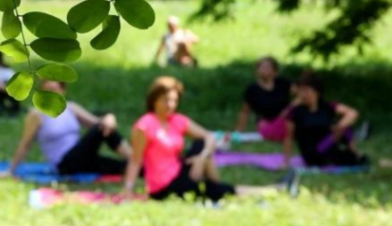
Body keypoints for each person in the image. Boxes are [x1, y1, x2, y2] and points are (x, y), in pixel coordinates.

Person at [123, 76, 296, 203]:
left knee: (201, 144)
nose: (170, 105)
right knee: (213, 187)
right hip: (164, 186)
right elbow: (136, 160)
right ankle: (273, 191)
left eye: (174, 101)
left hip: (181, 171)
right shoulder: (145, 126)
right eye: (165, 100)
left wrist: (202, 157)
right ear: (154, 101)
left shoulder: (177, 120)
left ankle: (219, 187)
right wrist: (128, 189)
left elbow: (209, 136)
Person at [7, 80, 132, 176]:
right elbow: (25, 144)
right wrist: (11, 170)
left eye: (54, 90)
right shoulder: (36, 114)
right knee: (101, 127)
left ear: (62, 91)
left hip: (82, 158)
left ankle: (139, 163)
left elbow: (97, 122)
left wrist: (110, 117)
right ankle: (135, 157)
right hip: (65, 164)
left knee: (126, 167)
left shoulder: (70, 108)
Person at [284, 71, 368, 168]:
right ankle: (355, 156)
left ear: (317, 92)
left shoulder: (327, 106)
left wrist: (339, 126)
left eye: (306, 91)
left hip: (328, 147)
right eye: (301, 91)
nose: (303, 94)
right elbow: (288, 138)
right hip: (312, 153)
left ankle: (354, 154)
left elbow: (352, 113)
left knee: (345, 127)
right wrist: (286, 162)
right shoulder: (295, 112)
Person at [234, 57, 295, 142]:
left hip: (286, 120)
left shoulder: (284, 83)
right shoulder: (252, 89)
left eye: (267, 67)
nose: (263, 70)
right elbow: (245, 112)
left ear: (275, 71)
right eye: (261, 67)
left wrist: (292, 106)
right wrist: (238, 133)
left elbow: (302, 94)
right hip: (265, 123)